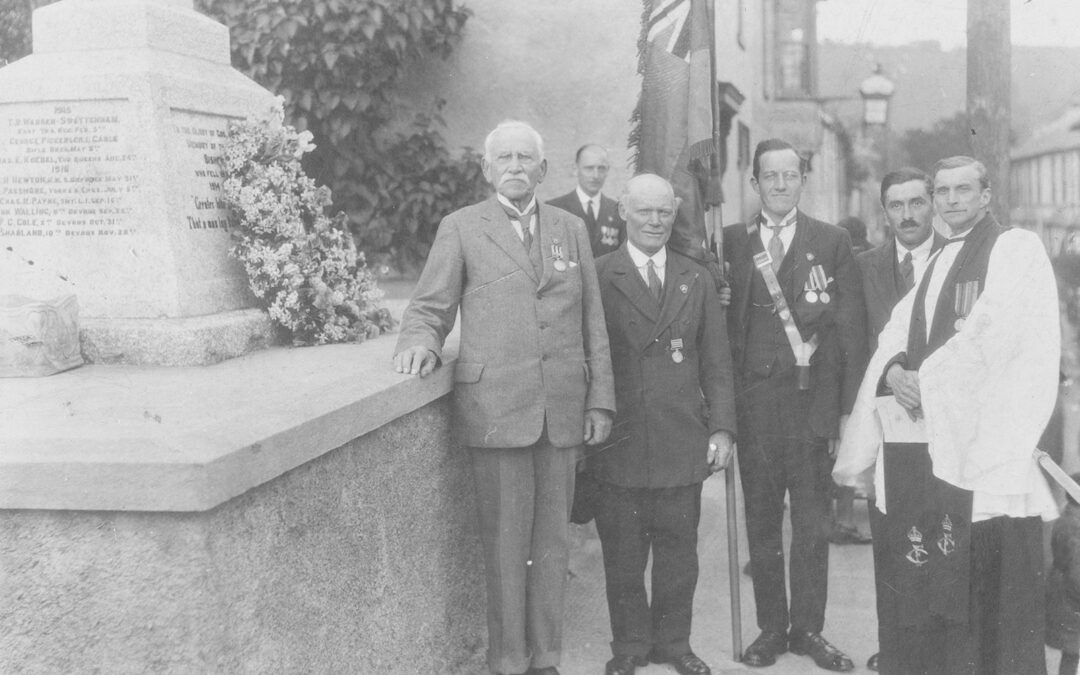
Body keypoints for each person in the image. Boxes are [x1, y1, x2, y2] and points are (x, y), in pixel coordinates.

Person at [393, 120, 616, 675]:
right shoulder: (463, 227)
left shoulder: (570, 228)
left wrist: (600, 400)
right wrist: (420, 342)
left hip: (562, 411)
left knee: (554, 549)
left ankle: (547, 660)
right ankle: (509, 661)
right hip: (496, 411)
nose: (516, 167)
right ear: (488, 170)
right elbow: (429, 306)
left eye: (526, 159)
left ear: (543, 170)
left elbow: (593, 321)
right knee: (504, 547)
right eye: (505, 159)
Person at [834, 155, 1060, 674]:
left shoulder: (1013, 249)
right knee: (945, 584)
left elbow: (990, 333)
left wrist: (924, 382)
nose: (951, 200)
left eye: (963, 190)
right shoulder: (938, 260)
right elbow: (896, 327)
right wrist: (893, 370)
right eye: (943, 192)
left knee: (997, 590)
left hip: (989, 451)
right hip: (938, 446)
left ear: (986, 195)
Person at [723, 138, 866, 671]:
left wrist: (841, 415)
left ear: (802, 181)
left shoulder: (831, 242)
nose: (781, 185)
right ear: (755, 183)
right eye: (770, 177)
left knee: (811, 527)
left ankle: (809, 629)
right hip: (755, 410)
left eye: (790, 175)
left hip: (810, 410)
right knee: (761, 524)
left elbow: (848, 333)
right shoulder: (731, 243)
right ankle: (769, 629)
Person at [588, 174, 736, 675]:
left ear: (675, 216)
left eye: (664, 213)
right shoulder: (599, 274)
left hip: (679, 438)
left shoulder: (695, 277)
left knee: (679, 555)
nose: (655, 221)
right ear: (623, 213)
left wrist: (721, 430)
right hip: (621, 438)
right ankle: (629, 646)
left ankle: (674, 644)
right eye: (645, 211)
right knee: (624, 556)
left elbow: (716, 363)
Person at [852, 167, 946, 672]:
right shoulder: (864, 266)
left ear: (931, 204)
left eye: (915, 203)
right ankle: (897, 648)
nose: (907, 215)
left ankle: (938, 647)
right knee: (891, 537)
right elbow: (855, 343)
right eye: (896, 205)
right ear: (883, 210)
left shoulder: (955, 261)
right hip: (886, 423)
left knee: (940, 533)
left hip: (942, 422)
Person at [548, 144, 627, 257]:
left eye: (601, 168)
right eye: (589, 168)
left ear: (607, 171)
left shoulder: (617, 210)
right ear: (575, 169)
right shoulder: (555, 208)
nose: (595, 175)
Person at [1047, 474, 1080, 675]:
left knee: (1071, 655)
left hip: (1063, 597)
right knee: (1072, 653)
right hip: (1072, 600)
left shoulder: (1066, 518)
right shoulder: (1075, 530)